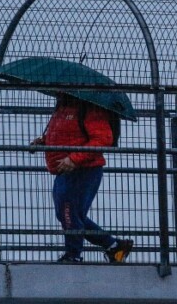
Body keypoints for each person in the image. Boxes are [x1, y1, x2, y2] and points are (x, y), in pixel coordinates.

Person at [31, 93, 133, 263]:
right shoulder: (63, 108)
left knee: (68, 212)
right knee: (69, 214)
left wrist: (74, 158)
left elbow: (103, 138)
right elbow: (68, 135)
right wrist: (45, 141)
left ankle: (73, 255)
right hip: (65, 169)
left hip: (83, 169)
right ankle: (114, 246)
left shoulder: (88, 108)